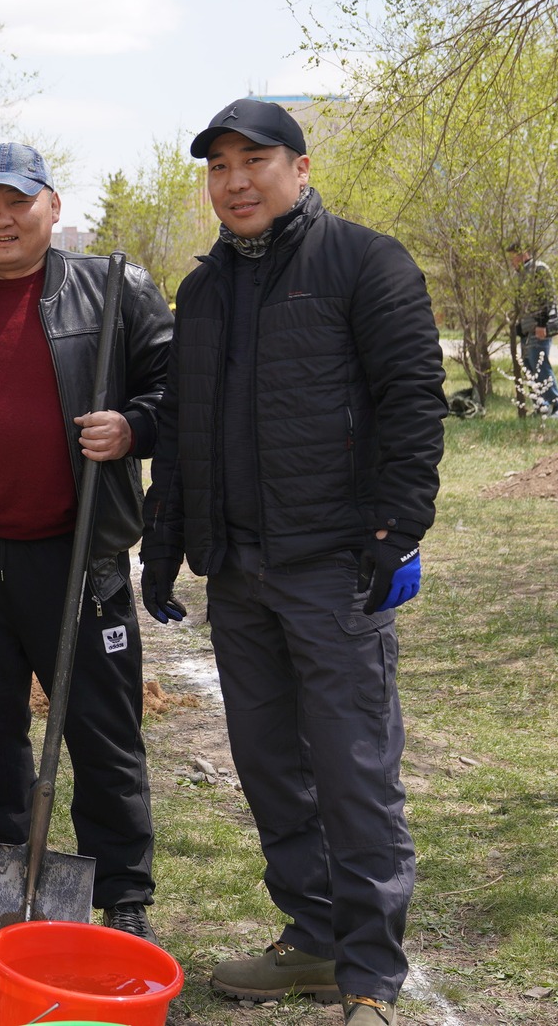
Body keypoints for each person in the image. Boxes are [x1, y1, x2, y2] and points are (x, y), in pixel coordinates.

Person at [140, 99, 446, 1026]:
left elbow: (413, 400)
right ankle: (313, 935)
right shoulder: (203, 292)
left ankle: (371, 976)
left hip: (334, 568)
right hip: (236, 569)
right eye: (219, 166)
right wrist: (166, 546)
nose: (235, 181)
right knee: (269, 761)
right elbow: (189, 425)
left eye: (254, 160)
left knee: (354, 767)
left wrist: (398, 529)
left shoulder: (366, 263)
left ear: (300, 169)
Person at [0, 141, 174, 941]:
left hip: (78, 553)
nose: (1, 218)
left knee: (102, 728)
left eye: (18, 201)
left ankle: (123, 895)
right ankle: (7, 878)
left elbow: (176, 390)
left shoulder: (118, 287)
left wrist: (134, 425)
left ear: (52, 205)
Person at [507, 245, 558, 416]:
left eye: (514, 257)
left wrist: (542, 324)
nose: (512, 262)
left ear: (523, 254)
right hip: (527, 329)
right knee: (529, 367)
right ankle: (541, 407)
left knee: (540, 365)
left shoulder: (539, 269)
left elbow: (548, 297)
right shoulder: (521, 275)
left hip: (540, 328)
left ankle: (557, 405)